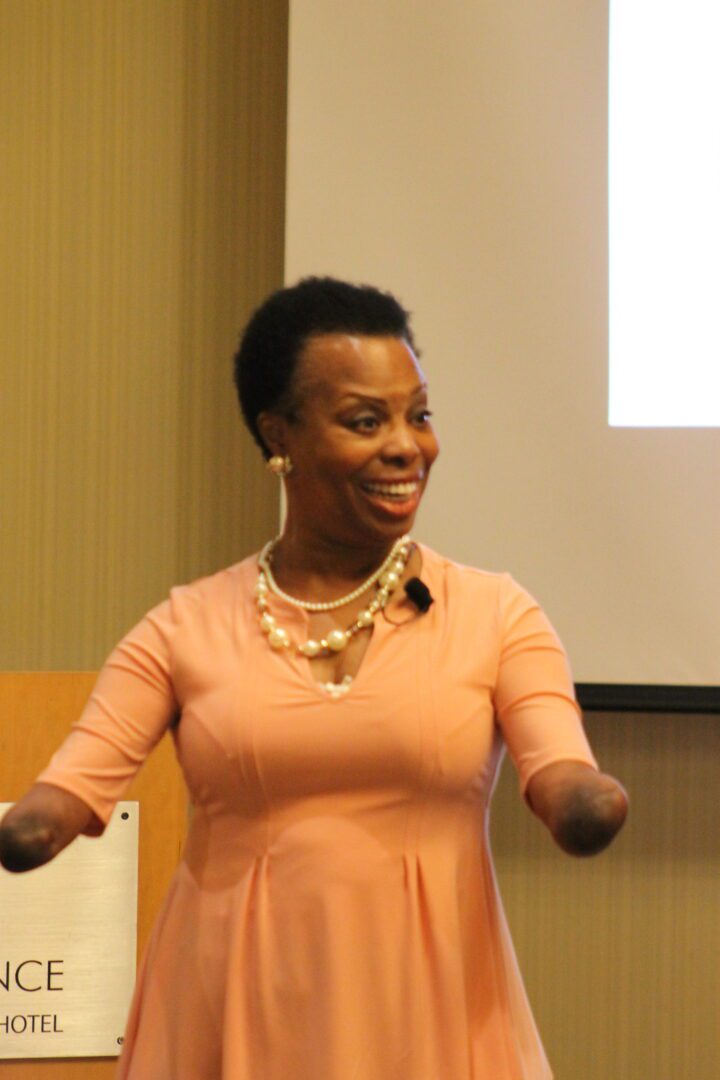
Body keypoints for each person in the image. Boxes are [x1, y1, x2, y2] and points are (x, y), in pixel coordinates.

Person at [0, 276, 628, 1079]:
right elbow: (76, 781)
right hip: (228, 1014)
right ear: (280, 437)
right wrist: (36, 824)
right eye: (366, 421)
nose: (406, 446)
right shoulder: (185, 626)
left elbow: (559, 766)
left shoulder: (497, 615)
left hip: (430, 1018)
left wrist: (584, 800)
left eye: (419, 415)